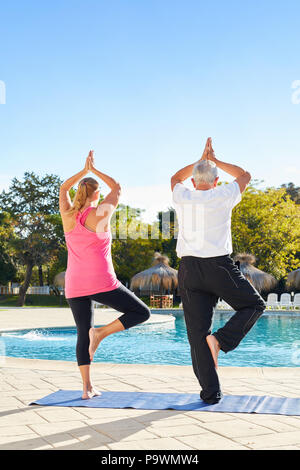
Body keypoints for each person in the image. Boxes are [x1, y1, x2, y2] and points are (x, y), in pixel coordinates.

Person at [171, 138, 266, 404]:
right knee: (254, 305)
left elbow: (174, 177)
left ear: (193, 181)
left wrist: (200, 160)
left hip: (188, 269)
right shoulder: (223, 194)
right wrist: (215, 160)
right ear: (216, 181)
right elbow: (245, 175)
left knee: (197, 335)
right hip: (218, 267)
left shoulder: (183, 195)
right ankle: (221, 340)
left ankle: (210, 394)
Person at [59, 151, 150, 399]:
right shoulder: (100, 213)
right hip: (101, 282)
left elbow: (63, 188)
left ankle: (86, 388)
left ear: (80, 191)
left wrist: (83, 172)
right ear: (96, 194)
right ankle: (100, 333)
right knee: (142, 312)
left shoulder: (67, 215)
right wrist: (94, 170)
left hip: (75, 284)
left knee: (81, 333)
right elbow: (117, 187)